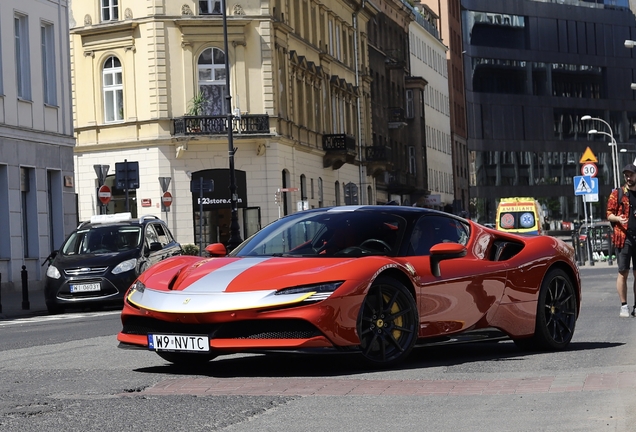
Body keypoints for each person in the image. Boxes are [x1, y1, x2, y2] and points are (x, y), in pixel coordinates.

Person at [606, 163, 636, 317]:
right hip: (623, 237)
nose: (628, 177)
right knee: (623, 271)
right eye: (626, 175)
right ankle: (624, 305)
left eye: (631, 174)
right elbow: (609, 213)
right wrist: (618, 218)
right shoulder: (618, 193)